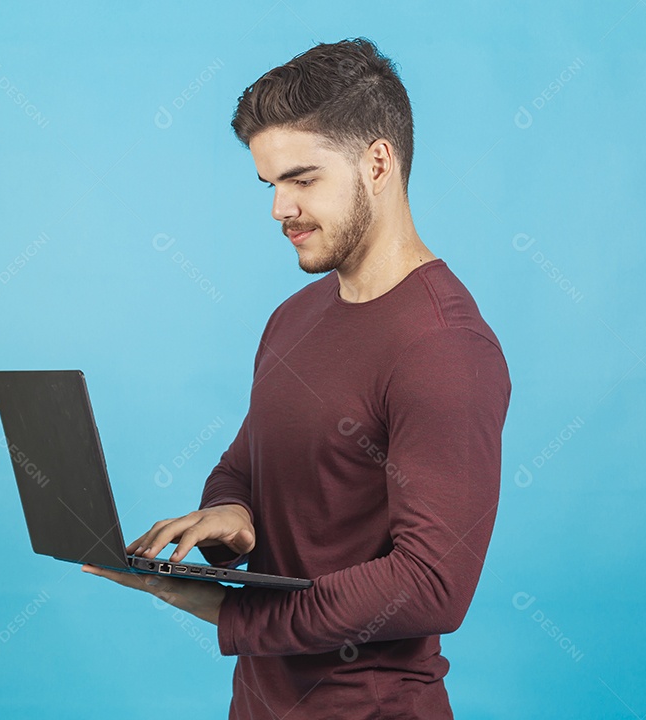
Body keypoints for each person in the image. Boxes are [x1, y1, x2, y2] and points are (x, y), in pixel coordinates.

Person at [83, 36, 511, 719]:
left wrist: (229, 612)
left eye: (302, 179)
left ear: (378, 162)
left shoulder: (445, 347)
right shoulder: (295, 316)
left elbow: (432, 584)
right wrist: (233, 515)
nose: (279, 209)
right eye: (271, 184)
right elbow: (244, 464)